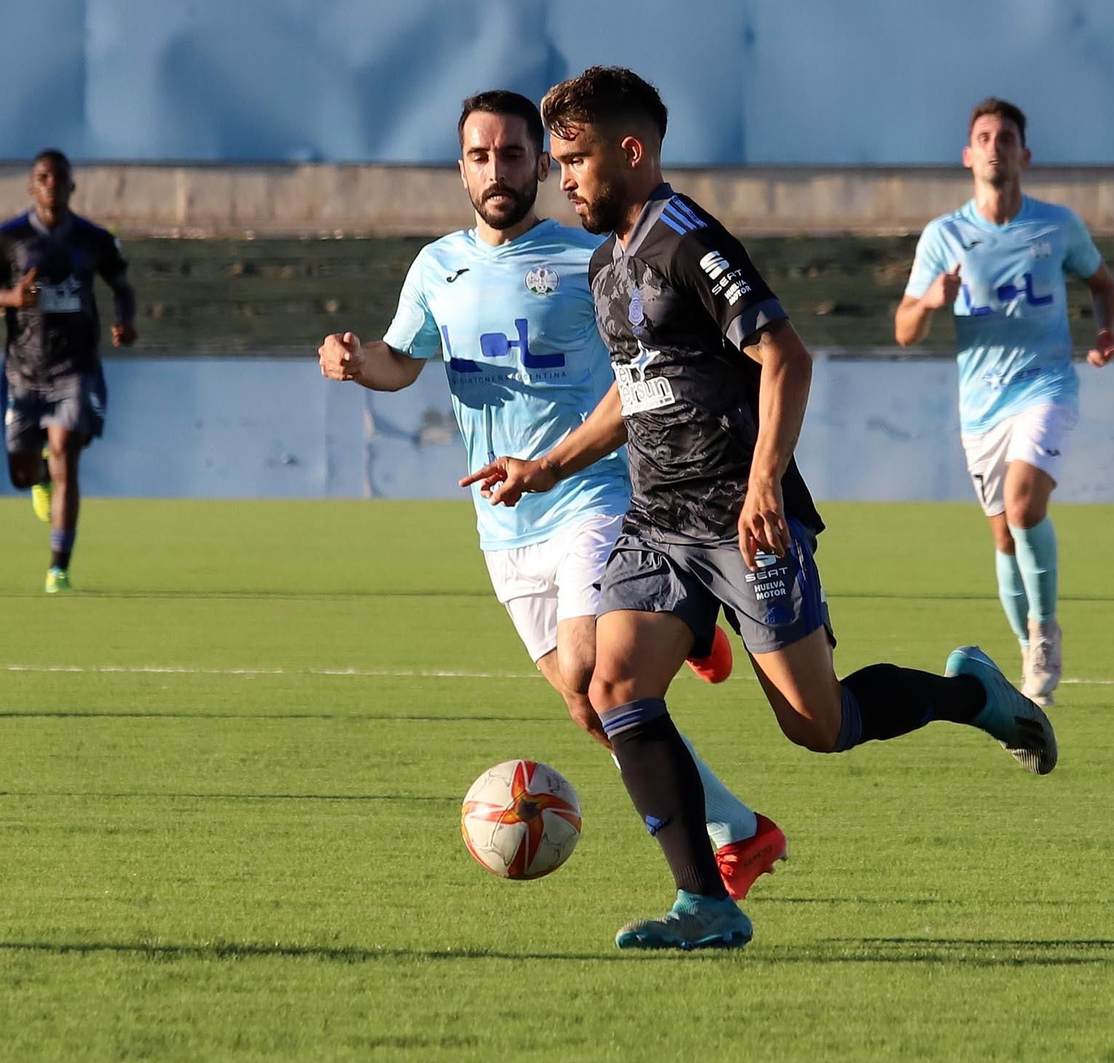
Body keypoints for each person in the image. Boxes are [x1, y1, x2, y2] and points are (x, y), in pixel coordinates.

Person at [463, 67, 1056, 952]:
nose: (564, 177)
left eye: (575, 158)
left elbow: (786, 356)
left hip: (742, 519)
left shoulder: (691, 240)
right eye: (557, 161)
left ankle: (972, 693)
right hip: (659, 520)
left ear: (631, 151)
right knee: (614, 689)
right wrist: (545, 466)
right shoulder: (604, 263)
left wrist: (764, 484)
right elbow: (633, 393)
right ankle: (706, 903)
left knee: (819, 725)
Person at [317, 90, 786, 901]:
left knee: (589, 666)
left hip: (595, 495)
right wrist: (359, 363)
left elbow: (657, 356)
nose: (496, 170)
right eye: (479, 156)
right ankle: (738, 827)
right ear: (460, 167)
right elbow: (402, 359)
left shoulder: (586, 259)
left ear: (541, 162)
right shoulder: (437, 267)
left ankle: (677, 619)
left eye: (512, 155)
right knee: (586, 704)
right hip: (504, 527)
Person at [895, 98, 1114, 706]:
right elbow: (904, 330)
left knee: (1023, 508)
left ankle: (1045, 633)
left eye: (1006, 137)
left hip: (1046, 388)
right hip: (981, 409)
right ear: (968, 155)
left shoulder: (1057, 227)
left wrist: (1105, 331)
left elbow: (1102, 284)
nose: (995, 145)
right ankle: (1028, 640)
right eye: (984, 136)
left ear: (1025, 154)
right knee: (1002, 538)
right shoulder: (945, 236)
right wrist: (927, 302)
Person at [0, 149, 137, 593]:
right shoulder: (8, 238)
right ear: (32, 186)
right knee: (21, 472)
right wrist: (12, 299)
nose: (51, 184)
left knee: (66, 450)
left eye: (58, 177)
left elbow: (122, 285)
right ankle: (39, 476)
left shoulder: (93, 240)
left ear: (71, 187)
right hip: (23, 372)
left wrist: (126, 321)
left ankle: (58, 568)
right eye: (42, 177)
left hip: (75, 367)